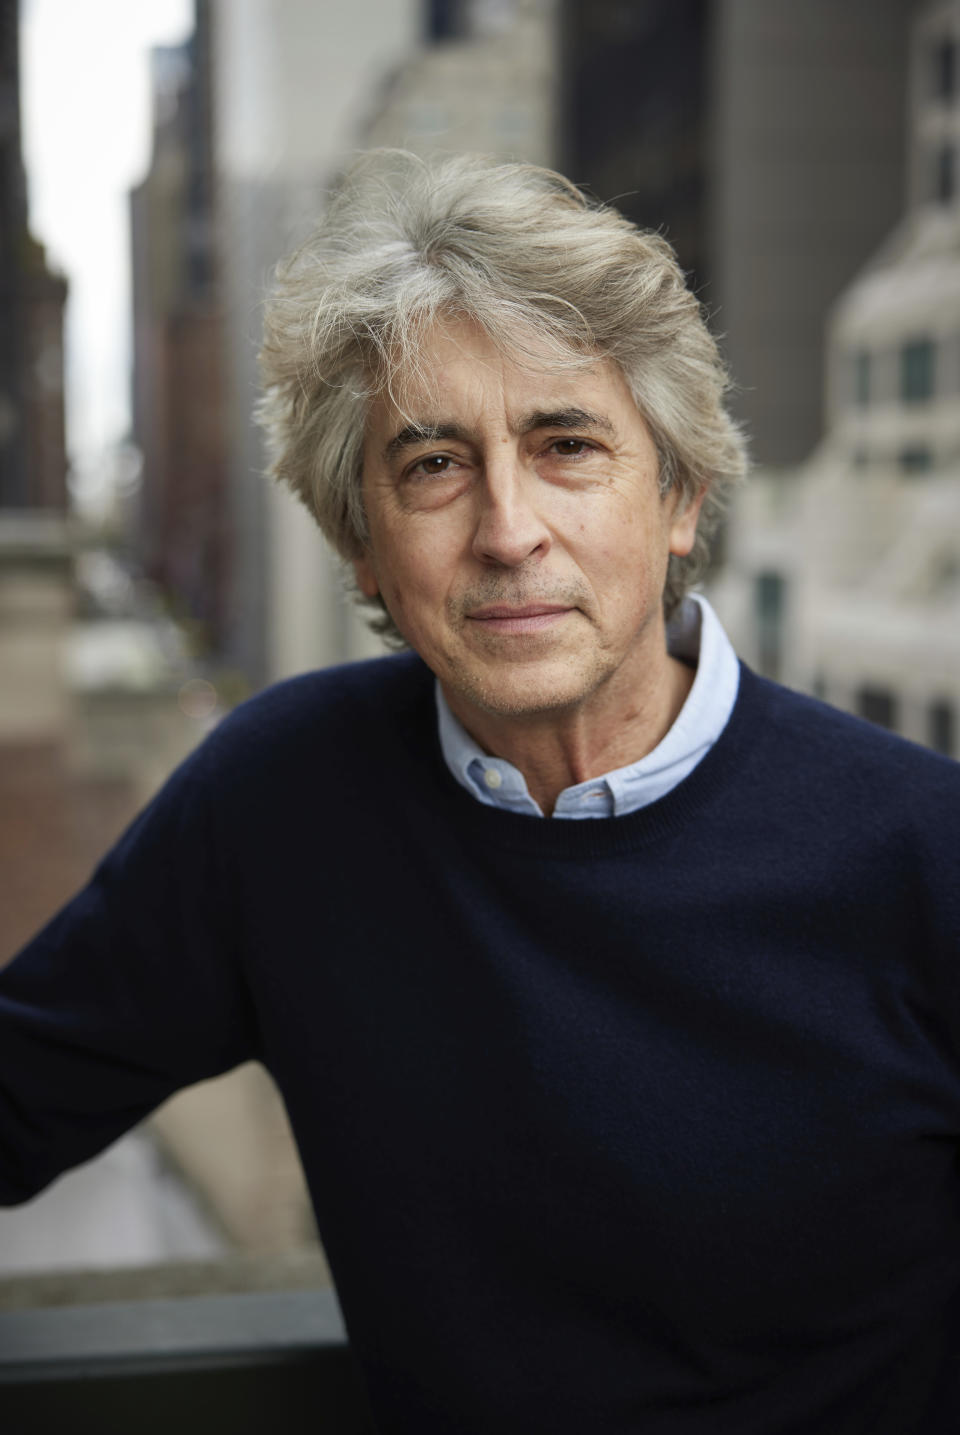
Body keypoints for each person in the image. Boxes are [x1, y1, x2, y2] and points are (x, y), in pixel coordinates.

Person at [2, 149, 959, 1434]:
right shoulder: (278, 804)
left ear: (678, 497)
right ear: (363, 543)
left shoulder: (923, 852)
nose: (509, 530)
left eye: (567, 446)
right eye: (435, 465)